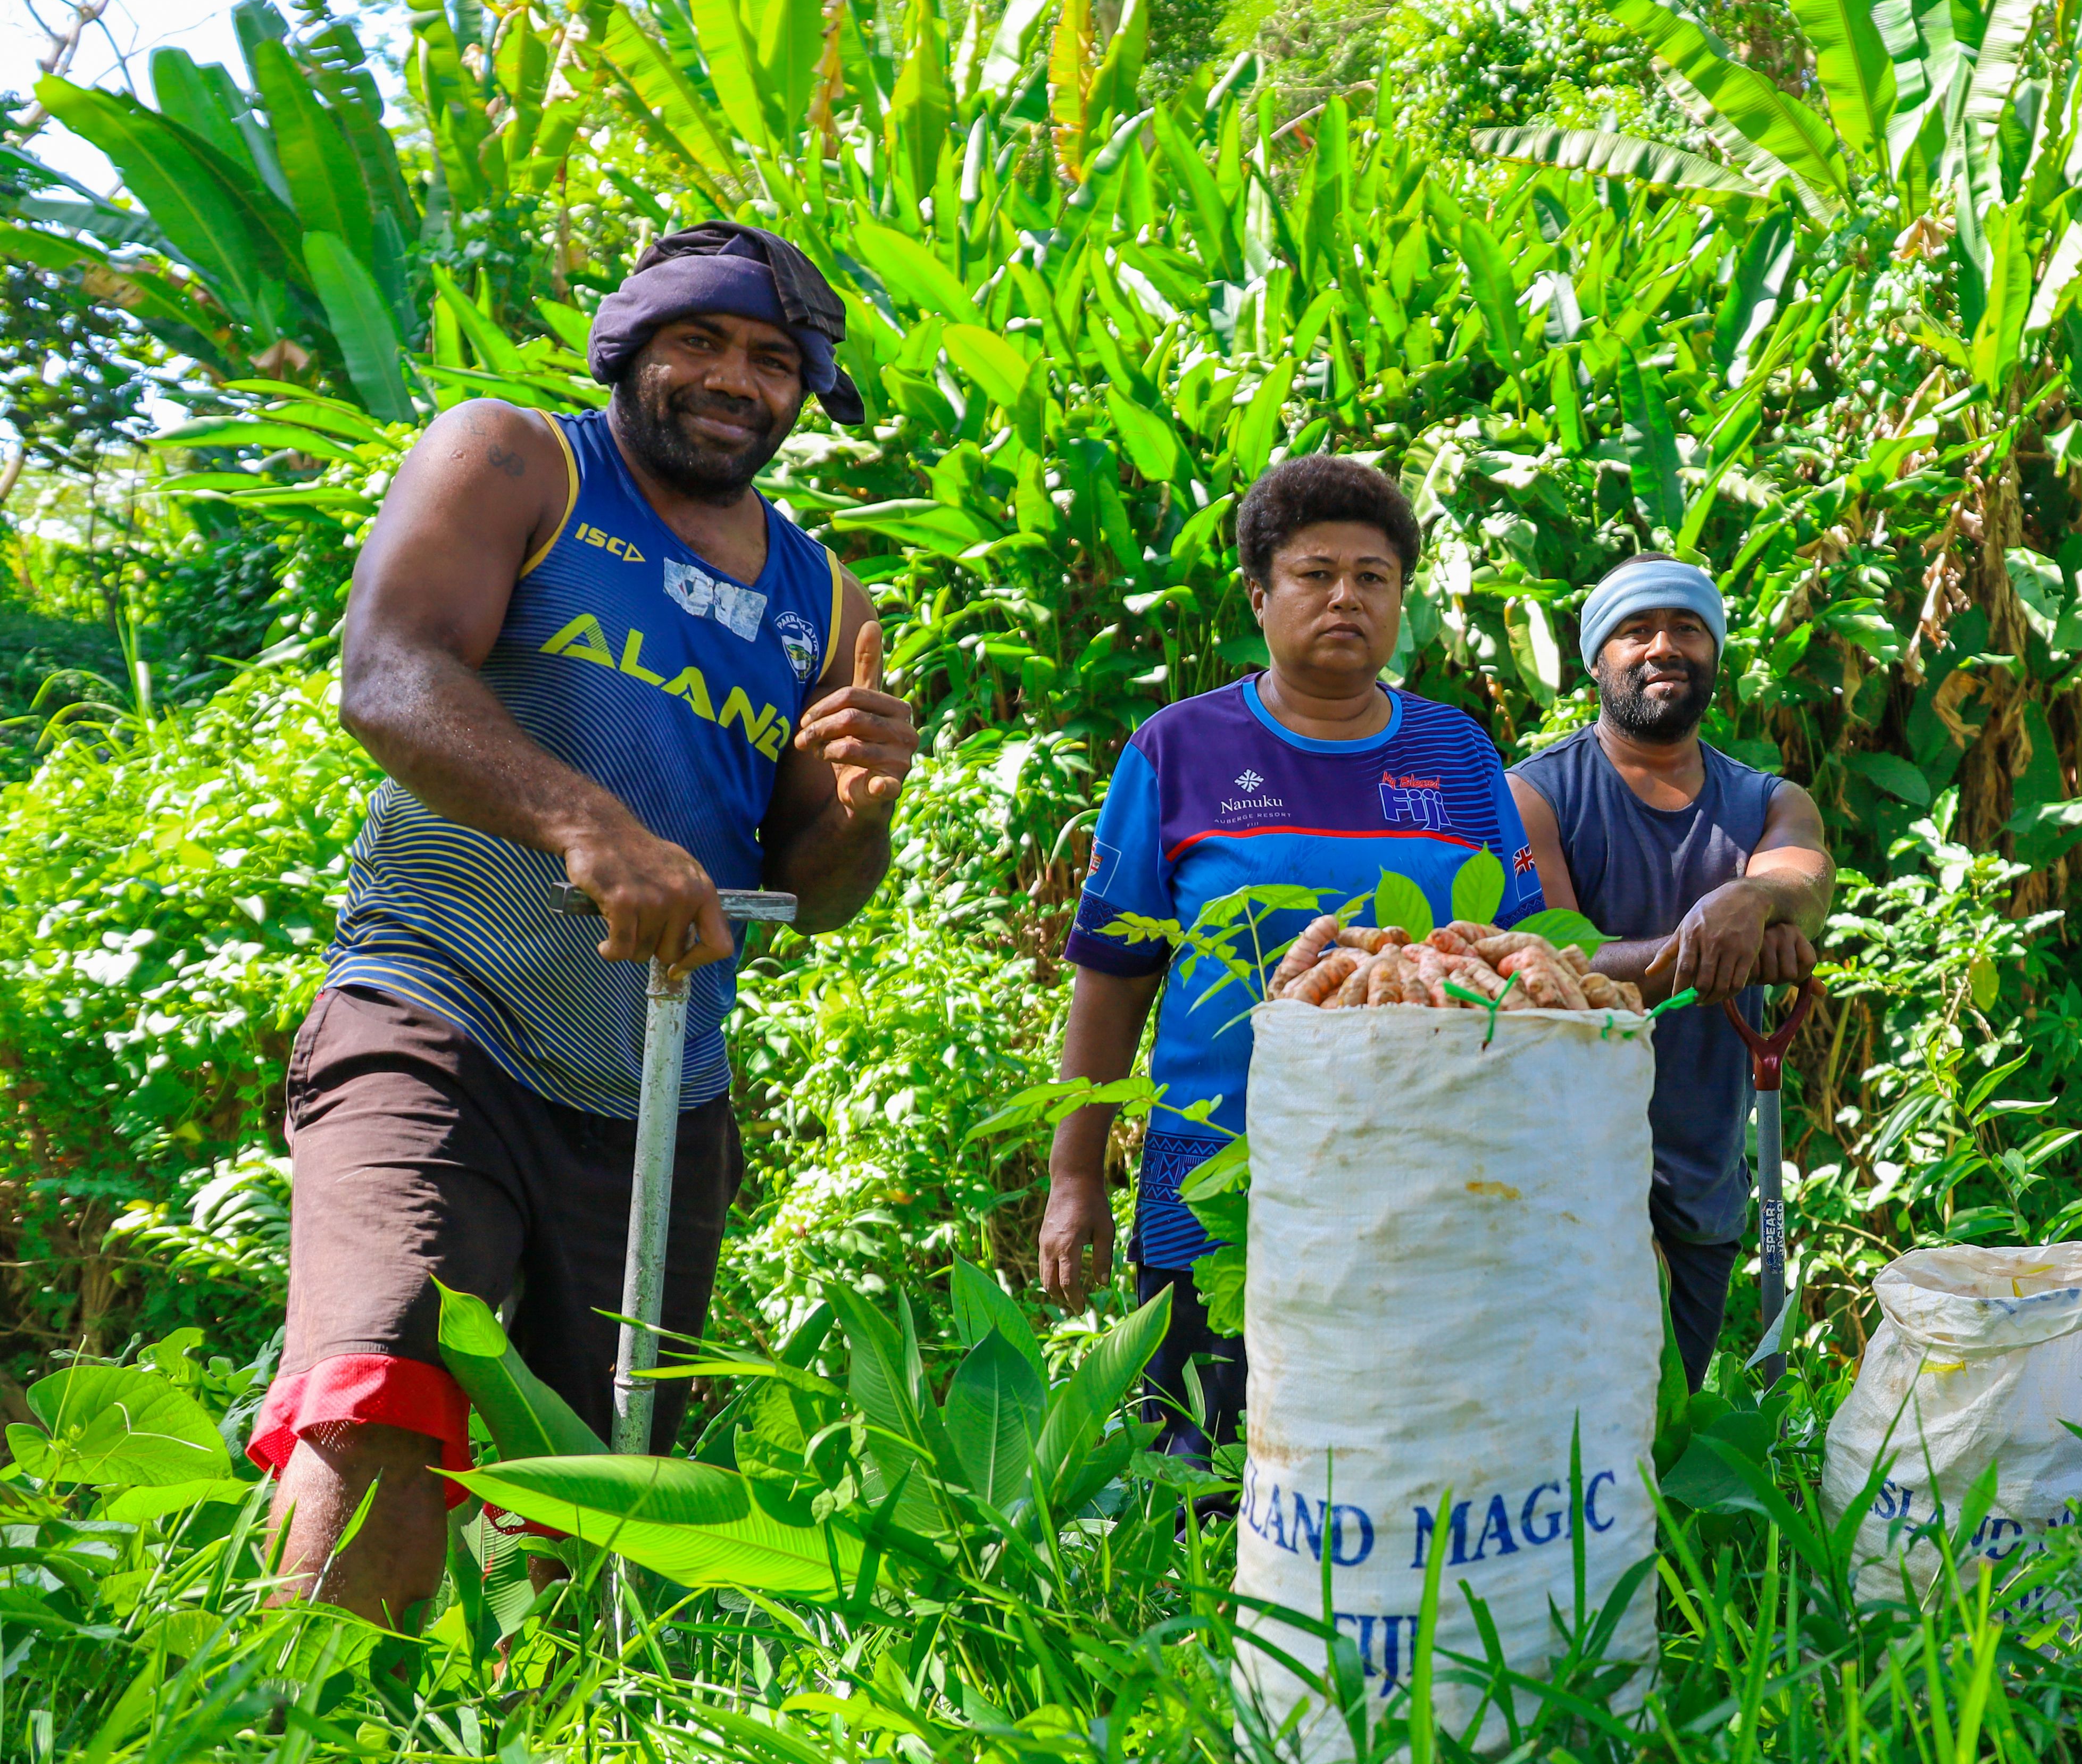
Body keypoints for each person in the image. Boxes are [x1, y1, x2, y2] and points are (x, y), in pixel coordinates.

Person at [254, 222, 920, 1627]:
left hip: (659, 1087)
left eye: (774, 361)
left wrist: (859, 808)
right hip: (437, 1010)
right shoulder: (521, 462)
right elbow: (388, 673)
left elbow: (809, 896)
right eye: (702, 343)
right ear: (631, 348)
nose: (737, 380)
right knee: (380, 1385)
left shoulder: (823, 597)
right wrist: (589, 825)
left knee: (594, 1492)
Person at [1034, 456, 1545, 1451]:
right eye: (1315, 574)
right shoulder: (1178, 750)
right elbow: (1113, 979)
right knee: (1211, 1450)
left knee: (1408, 1442)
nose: (1346, 596)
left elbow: (1517, 963)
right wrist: (1075, 1177)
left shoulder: (1460, 753)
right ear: (1260, 596)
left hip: (1433, 1166)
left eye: (1374, 576)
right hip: (1219, 1167)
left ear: (1402, 600)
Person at [1509, 558, 1831, 1390]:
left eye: (1687, 629)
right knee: (1582, 1415)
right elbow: (1549, 964)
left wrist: (1752, 898)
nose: (1663, 647)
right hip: (1570, 1161)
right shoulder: (1534, 797)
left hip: (1706, 1157)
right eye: (1635, 630)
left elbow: (1807, 882)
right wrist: (1730, 935)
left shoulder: (1768, 801)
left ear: (1716, 653)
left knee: (1671, 1407)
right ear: (1595, 659)